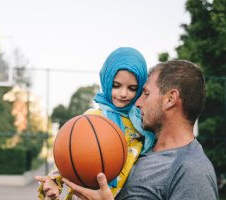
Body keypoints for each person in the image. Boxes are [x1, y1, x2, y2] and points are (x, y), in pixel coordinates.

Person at [62, 60, 219, 200]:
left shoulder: (192, 170)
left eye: (146, 93)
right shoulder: (139, 147)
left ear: (170, 99)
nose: (137, 102)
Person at [35, 47, 156, 199]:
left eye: (132, 88)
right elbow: (70, 154)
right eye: (116, 85)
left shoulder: (143, 120)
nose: (123, 93)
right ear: (106, 81)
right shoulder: (92, 119)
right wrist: (54, 180)